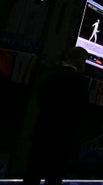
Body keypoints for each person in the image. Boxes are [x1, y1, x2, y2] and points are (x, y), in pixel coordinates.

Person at [23, 46, 90, 185]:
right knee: (54, 175)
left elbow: (39, 96)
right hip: (62, 137)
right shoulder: (80, 81)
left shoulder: (50, 74)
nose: (84, 64)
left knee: (32, 173)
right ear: (79, 60)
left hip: (42, 130)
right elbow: (81, 110)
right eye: (84, 60)